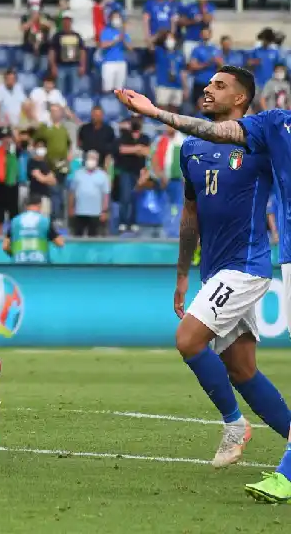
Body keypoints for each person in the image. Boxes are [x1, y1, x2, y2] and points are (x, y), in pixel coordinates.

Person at [116, 71, 291, 492]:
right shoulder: (191, 149)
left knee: (189, 340)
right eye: (207, 83)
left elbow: (222, 131)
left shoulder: (263, 134)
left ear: (242, 97)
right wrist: (181, 273)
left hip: (246, 265)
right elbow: (189, 214)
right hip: (214, 270)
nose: (207, 89)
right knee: (241, 368)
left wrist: (154, 112)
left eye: (219, 85)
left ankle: (234, 423)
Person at [5, 193, 65, 259]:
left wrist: (13, 255)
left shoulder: (15, 221)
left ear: (26, 206)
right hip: (40, 264)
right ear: (40, 205)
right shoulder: (45, 221)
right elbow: (60, 243)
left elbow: (5, 246)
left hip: (19, 262)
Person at [66, 152, 110, 238]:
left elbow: (106, 195)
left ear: (97, 161)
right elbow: (72, 192)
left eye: (93, 159)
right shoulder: (78, 174)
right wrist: (71, 208)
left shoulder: (103, 175)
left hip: (96, 213)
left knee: (93, 238)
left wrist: (104, 211)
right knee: (77, 236)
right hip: (79, 212)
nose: (91, 161)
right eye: (89, 158)